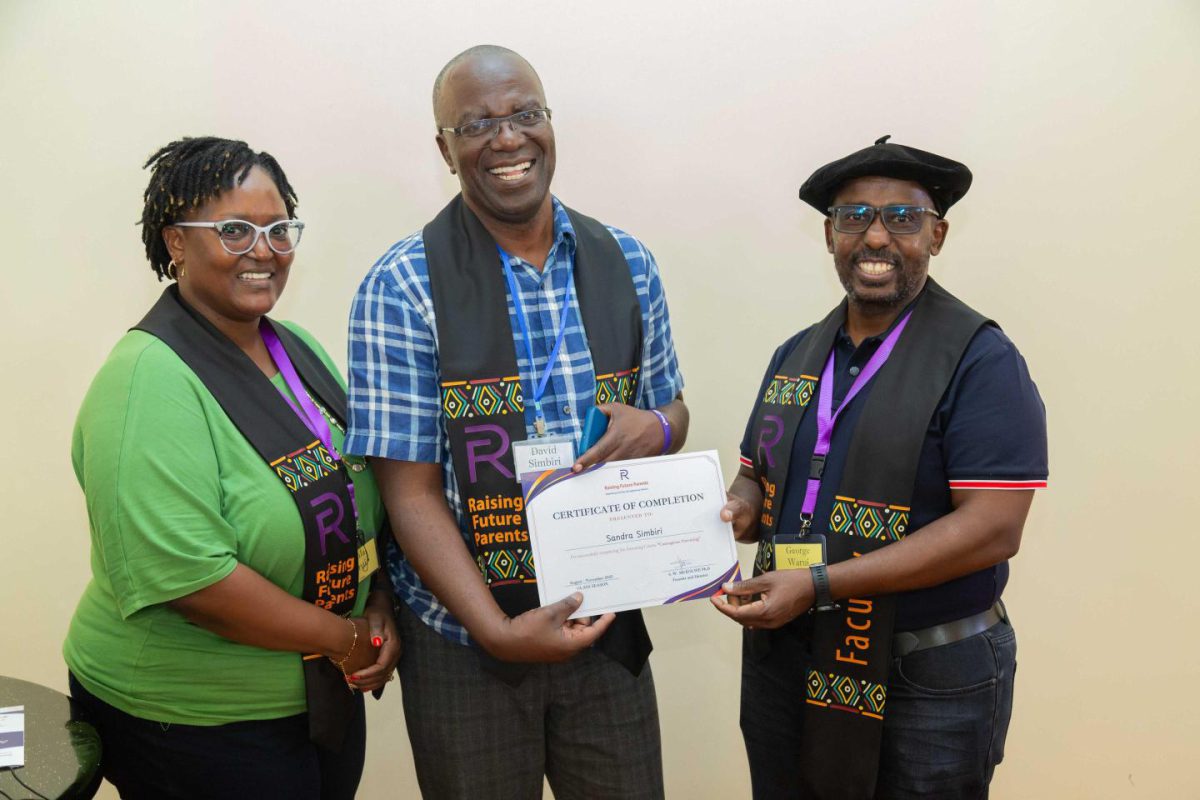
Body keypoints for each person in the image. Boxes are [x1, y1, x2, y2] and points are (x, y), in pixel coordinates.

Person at [345, 45, 687, 799]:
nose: (507, 139)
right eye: (477, 125)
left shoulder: (628, 262)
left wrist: (659, 430)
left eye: (525, 114)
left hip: (604, 624)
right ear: (446, 150)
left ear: (549, 124)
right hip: (464, 641)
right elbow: (408, 493)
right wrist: (497, 631)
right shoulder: (401, 285)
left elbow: (670, 410)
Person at [63, 136, 401, 800]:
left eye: (278, 230)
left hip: (319, 695)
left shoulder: (294, 347)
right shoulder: (146, 380)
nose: (264, 251)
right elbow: (192, 579)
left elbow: (358, 493)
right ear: (176, 243)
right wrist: (345, 637)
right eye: (235, 230)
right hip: (192, 721)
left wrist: (380, 603)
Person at [713, 136, 1048, 799]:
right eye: (853, 216)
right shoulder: (795, 354)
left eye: (902, 217)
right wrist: (740, 508)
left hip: (926, 676)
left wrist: (819, 583)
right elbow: (757, 474)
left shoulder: (980, 360)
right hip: (792, 660)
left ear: (937, 235)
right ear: (830, 236)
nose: (875, 236)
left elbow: (993, 528)